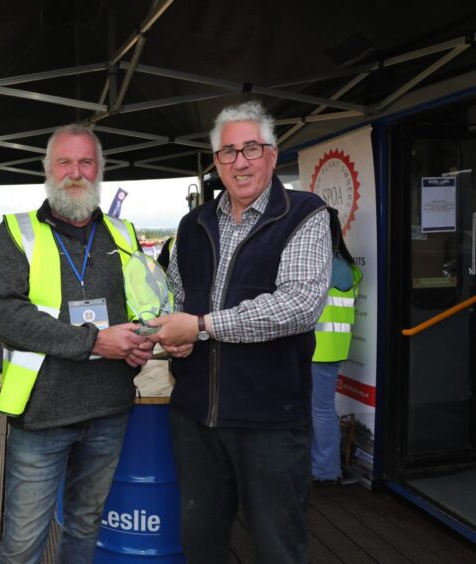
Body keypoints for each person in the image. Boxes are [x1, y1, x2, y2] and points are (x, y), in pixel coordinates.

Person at [148, 100, 338, 564]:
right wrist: (164, 332)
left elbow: (297, 306)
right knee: (202, 545)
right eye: (228, 152)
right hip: (195, 417)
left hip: (270, 420)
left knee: (278, 546)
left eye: (251, 148)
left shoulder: (305, 214)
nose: (240, 161)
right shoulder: (192, 226)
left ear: (272, 155)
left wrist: (201, 326)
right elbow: (173, 297)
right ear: (216, 163)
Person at [0, 124, 151, 564]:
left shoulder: (123, 233)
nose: (74, 173)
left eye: (85, 163)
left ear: (99, 170)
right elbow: (7, 319)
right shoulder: (15, 232)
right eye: (64, 162)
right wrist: (95, 341)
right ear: (47, 168)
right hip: (43, 414)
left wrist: (140, 343)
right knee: (23, 542)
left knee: (85, 524)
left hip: (109, 408)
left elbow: (143, 306)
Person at [311, 236, 361, 482]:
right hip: (329, 348)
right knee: (319, 409)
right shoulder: (343, 265)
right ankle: (321, 466)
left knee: (320, 410)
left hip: (320, 348)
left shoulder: (329, 266)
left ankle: (325, 470)